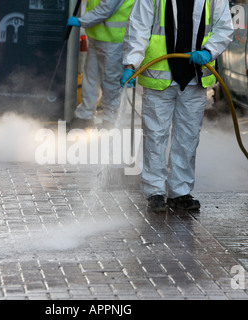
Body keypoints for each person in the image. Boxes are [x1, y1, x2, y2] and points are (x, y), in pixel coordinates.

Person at [120, 0, 234, 213]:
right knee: (155, 135)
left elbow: (224, 27)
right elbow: (138, 27)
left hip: (195, 77)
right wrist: (131, 64)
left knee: (188, 137)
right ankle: (155, 192)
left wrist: (209, 51)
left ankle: (180, 192)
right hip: (159, 76)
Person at [67, 0, 134, 130]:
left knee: (111, 83)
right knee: (90, 78)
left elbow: (107, 8)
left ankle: (111, 121)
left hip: (114, 40)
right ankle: (85, 117)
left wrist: (82, 21)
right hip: (97, 34)